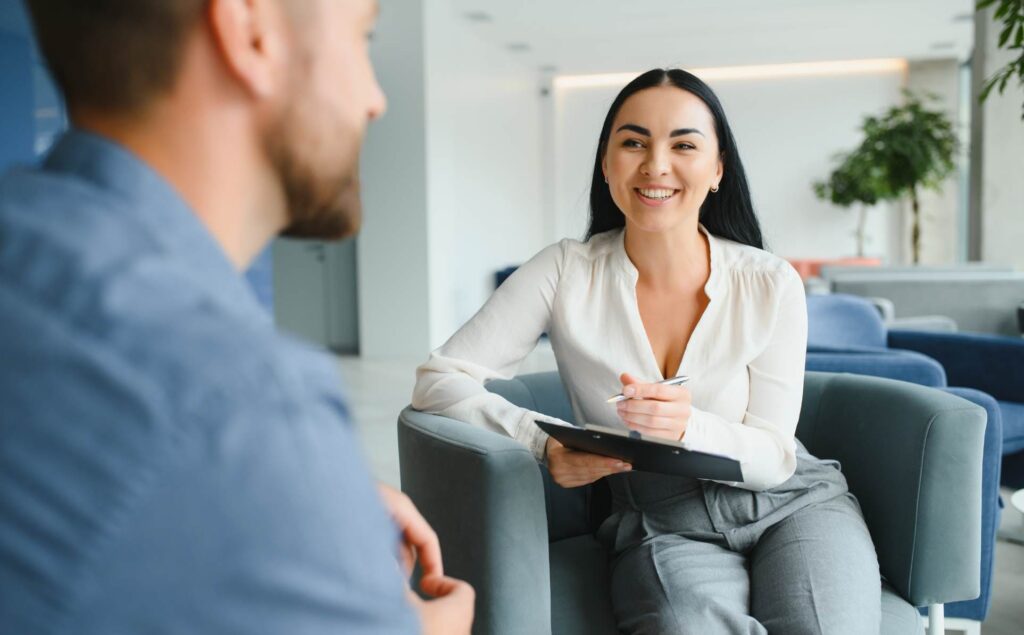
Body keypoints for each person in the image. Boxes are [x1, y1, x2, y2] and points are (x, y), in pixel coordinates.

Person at [0, 1, 473, 633]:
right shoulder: (241, 402)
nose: (376, 98)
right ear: (250, 32)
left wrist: (291, 506)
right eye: (363, 39)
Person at [413, 68, 881, 634]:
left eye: (683, 145)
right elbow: (440, 380)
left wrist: (690, 427)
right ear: (607, 165)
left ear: (717, 169)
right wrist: (539, 441)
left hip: (795, 503)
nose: (656, 164)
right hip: (660, 522)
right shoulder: (563, 271)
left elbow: (775, 458)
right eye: (633, 142)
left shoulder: (770, 281)